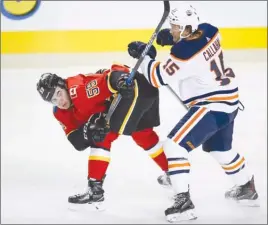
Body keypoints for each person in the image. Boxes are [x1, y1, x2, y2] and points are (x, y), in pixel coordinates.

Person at [127, 3, 259, 222]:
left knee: (174, 145)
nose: (173, 30)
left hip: (211, 106)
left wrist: (145, 57)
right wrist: (173, 38)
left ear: (189, 27)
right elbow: (195, 43)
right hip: (229, 102)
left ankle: (183, 202)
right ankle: (247, 187)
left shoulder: (184, 53)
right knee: (220, 149)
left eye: (177, 27)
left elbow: (157, 77)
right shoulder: (210, 30)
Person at [36, 63, 169, 206]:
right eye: (53, 100)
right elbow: (78, 143)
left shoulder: (79, 91)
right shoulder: (59, 112)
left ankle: (95, 189)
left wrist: (119, 80)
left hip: (132, 90)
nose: (59, 102)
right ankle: (174, 173)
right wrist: (88, 131)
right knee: (143, 135)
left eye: (58, 94)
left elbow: (109, 79)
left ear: (63, 85)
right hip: (143, 90)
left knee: (101, 138)